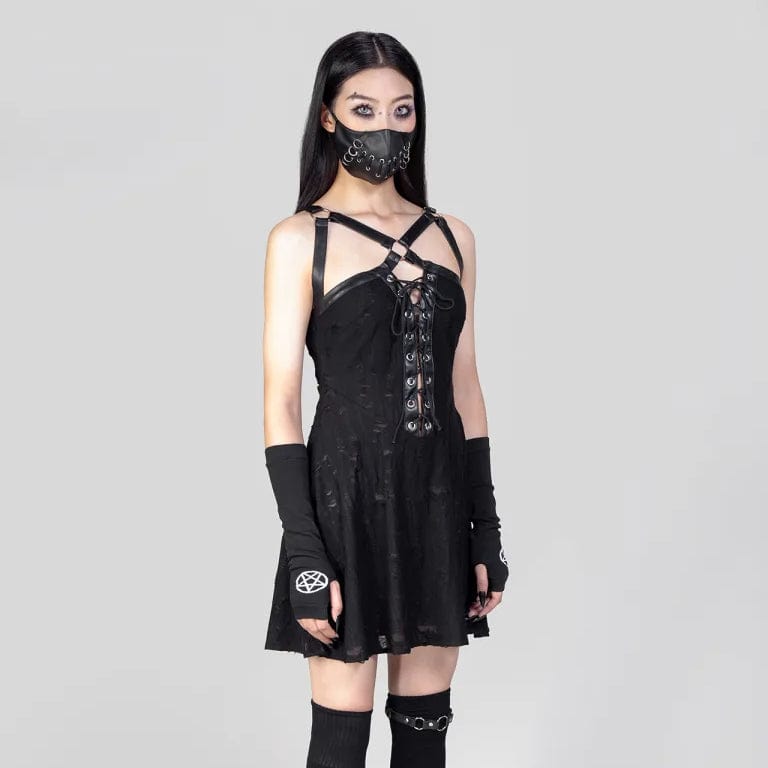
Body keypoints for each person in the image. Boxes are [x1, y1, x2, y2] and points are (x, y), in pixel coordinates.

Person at [262, 31, 509, 768]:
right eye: (364, 109)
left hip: (437, 500)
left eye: (403, 110)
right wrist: (306, 551)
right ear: (329, 116)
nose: (386, 126)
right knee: (339, 743)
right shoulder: (298, 239)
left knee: (425, 739)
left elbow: (465, 385)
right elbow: (280, 400)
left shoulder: (453, 237)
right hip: (343, 504)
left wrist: (486, 526)